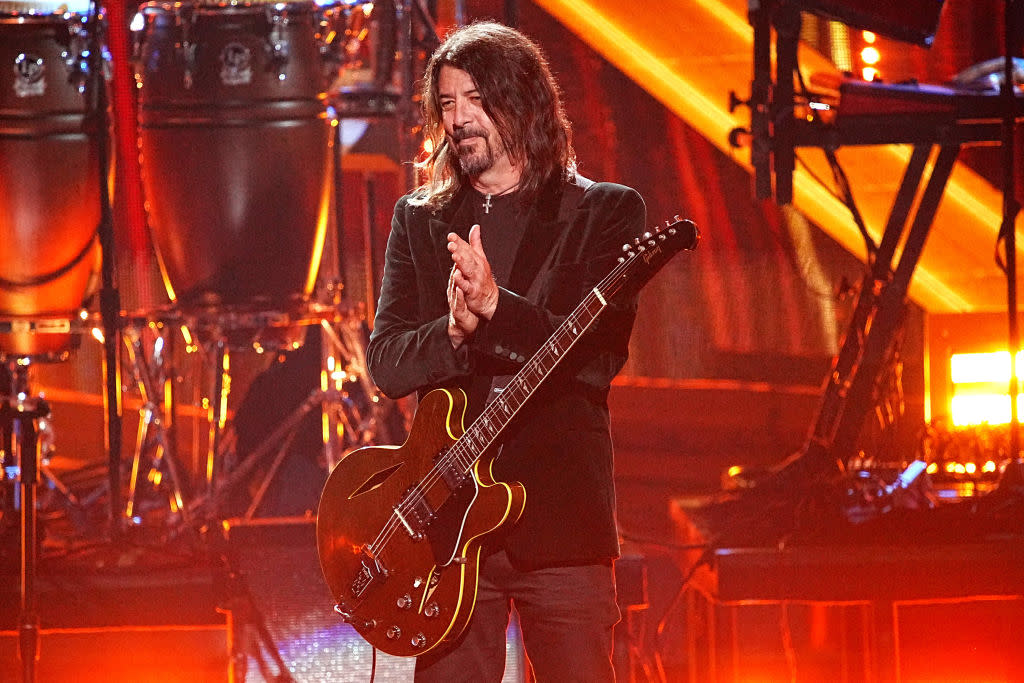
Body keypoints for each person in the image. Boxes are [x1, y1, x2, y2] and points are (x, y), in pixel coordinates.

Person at [364, 20, 647, 682]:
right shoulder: (420, 218)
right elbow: (389, 363)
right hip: (448, 532)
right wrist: (456, 334)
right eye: (446, 103)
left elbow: (601, 358)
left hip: (560, 524)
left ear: (521, 101)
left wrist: (499, 309)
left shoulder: (603, 213)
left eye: (474, 99)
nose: (457, 118)